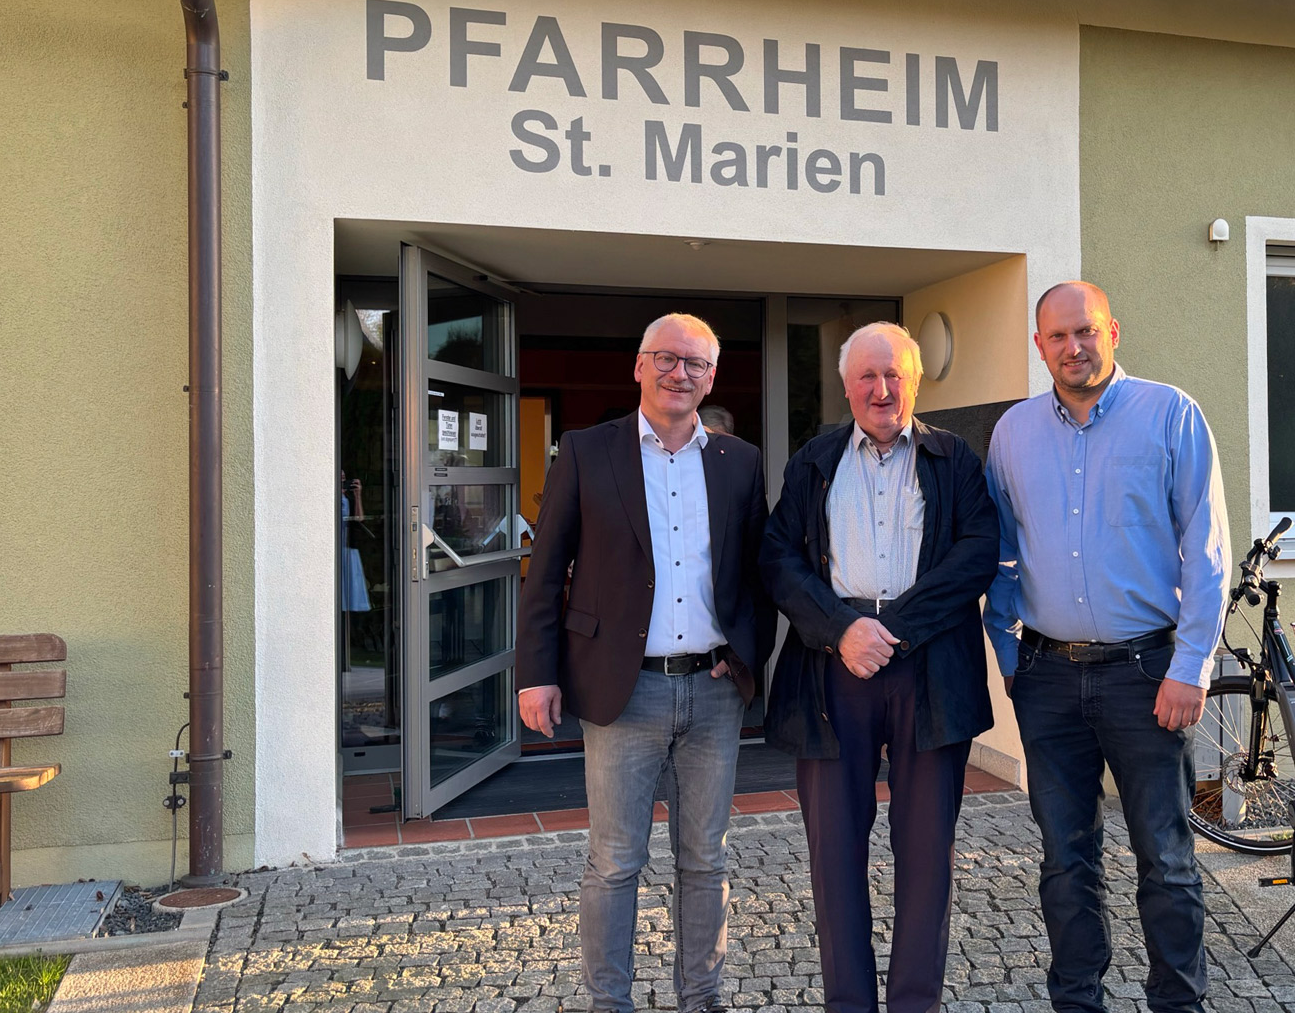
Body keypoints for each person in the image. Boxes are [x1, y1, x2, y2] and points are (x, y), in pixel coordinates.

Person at [515, 313, 774, 1013]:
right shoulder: (586, 450)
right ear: (639, 366)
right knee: (614, 862)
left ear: (711, 379)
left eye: (695, 364)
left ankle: (702, 997)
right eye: (665, 358)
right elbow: (547, 571)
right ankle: (609, 1003)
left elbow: (758, 575)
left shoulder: (739, 462)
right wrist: (536, 673)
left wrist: (745, 657)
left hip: (714, 693)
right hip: (623, 692)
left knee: (706, 858)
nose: (678, 373)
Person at [984, 282, 1231, 1013]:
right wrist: (1008, 653)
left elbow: (1206, 552)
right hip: (1047, 675)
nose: (1074, 347)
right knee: (1065, 861)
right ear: (1039, 346)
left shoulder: (1171, 414)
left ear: (1112, 331)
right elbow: (999, 551)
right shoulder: (1013, 432)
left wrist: (1191, 667)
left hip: (1148, 675)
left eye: (1085, 331)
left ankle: (1178, 1004)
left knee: (1166, 858)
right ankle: (1077, 1002)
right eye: (1058, 336)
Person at [760, 322, 999, 1013]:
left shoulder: (954, 457)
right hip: (832, 673)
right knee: (835, 854)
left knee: (926, 855)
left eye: (895, 374)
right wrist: (842, 630)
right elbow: (778, 558)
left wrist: (893, 630)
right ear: (847, 386)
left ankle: (915, 1004)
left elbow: (978, 552)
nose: (882, 388)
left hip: (932, 671)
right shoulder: (814, 460)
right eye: (868, 375)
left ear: (915, 381)